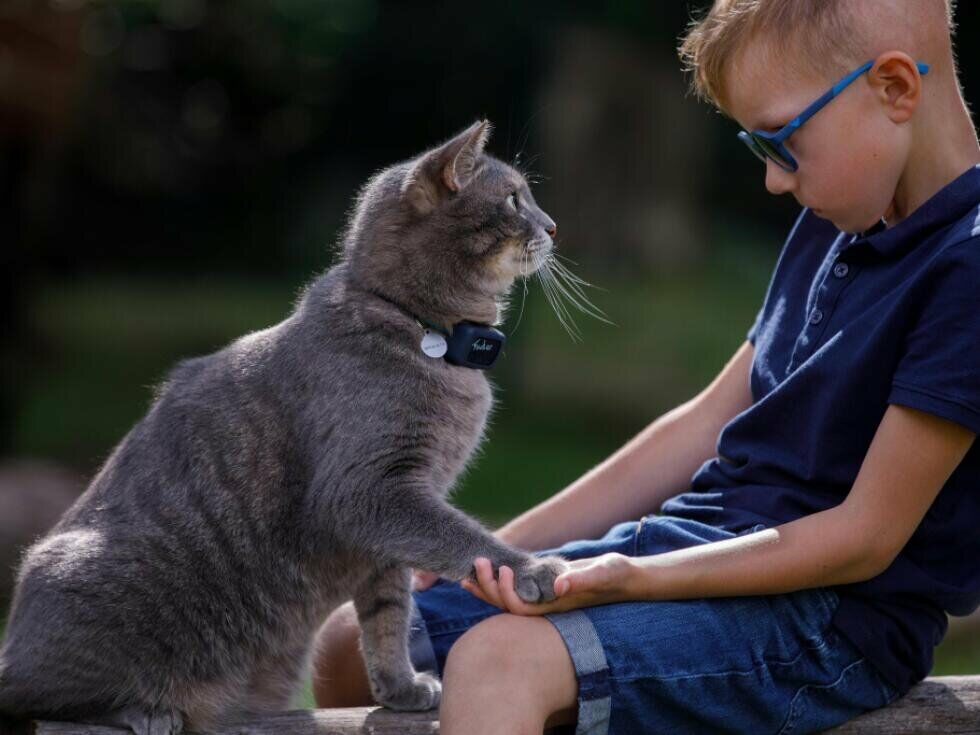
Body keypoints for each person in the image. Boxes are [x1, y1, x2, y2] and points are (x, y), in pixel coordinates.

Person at [313, 1, 980, 732]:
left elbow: (865, 537)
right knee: (356, 643)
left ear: (893, 89)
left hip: (831, 621)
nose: (774, 181)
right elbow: (704, 423)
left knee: (500, 660)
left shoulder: (965, 267)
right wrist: (495, 553)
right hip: (697, 546)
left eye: (781, 145)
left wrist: (634, 579)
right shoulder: (839, 220)